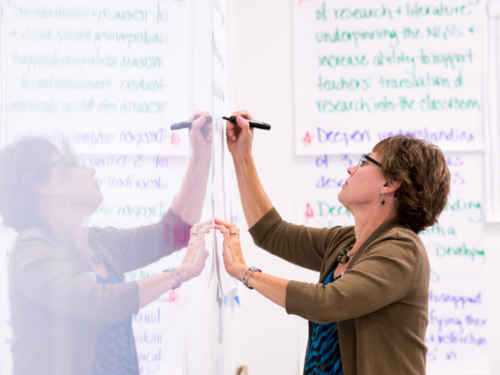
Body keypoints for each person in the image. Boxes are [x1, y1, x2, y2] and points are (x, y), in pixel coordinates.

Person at [215, 111, 451, 375]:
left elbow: (325, 304)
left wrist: (245, 272)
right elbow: (271, 233)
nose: (351, 168)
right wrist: (241, 156)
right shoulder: (347, 241)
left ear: (390, 183)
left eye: (364, 162)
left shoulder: (402, 249)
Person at [0, 112, 213, 375]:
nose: (90, 170)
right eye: (72, 164)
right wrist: (179, 274)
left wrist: (202, 156)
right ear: (43, 185)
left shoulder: (99, 242)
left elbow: (175, 232)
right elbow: (98, 303)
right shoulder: (31, 251)